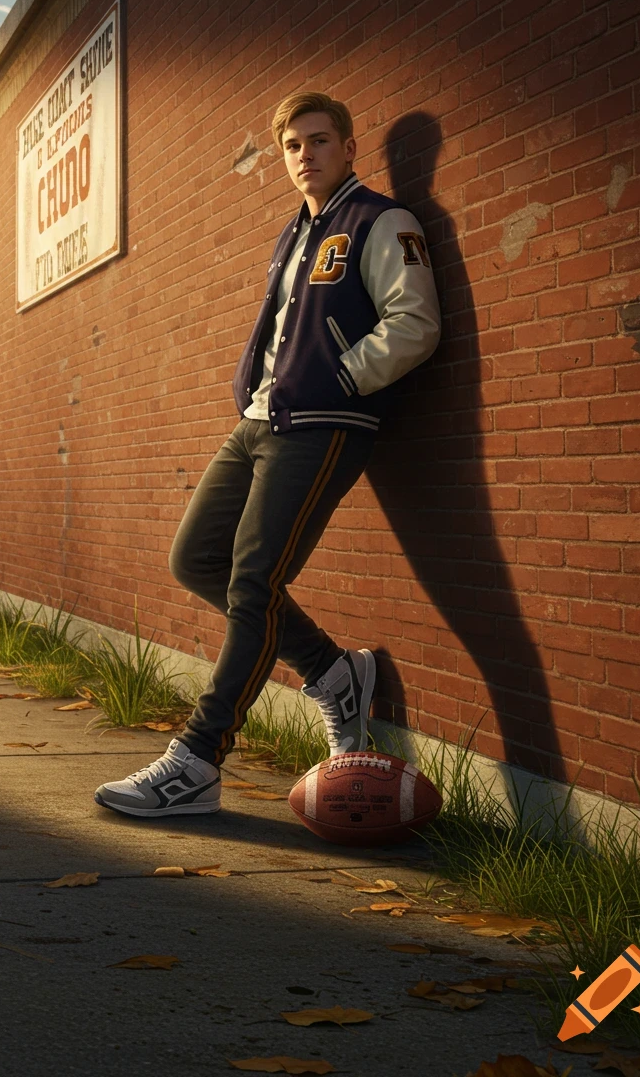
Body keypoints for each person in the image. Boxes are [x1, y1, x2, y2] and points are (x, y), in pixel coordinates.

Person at [94, 91, 442, 817]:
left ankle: (196, 761)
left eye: (319, 140)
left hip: (323, 423)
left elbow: (415, 324)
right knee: (196, 560)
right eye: (292, 145)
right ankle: (333, 672)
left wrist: (341, 375)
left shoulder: (381, 220)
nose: (304, 155)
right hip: (260, 421)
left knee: (253, 584)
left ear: (349, 146)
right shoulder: (294, 234)